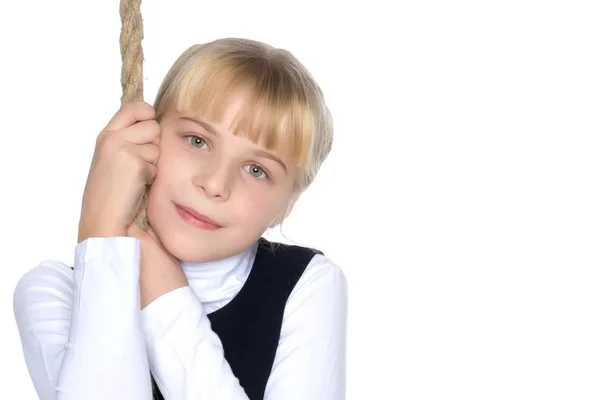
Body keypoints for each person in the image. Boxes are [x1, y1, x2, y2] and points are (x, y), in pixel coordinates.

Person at [13, 37, 347, 400]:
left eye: (256, 169)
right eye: (198, 141)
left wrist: (164, 293)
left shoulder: (306, 284)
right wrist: (101, 226)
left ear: (287, 205)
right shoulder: (52, 291)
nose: (215, 183)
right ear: (149, 136)